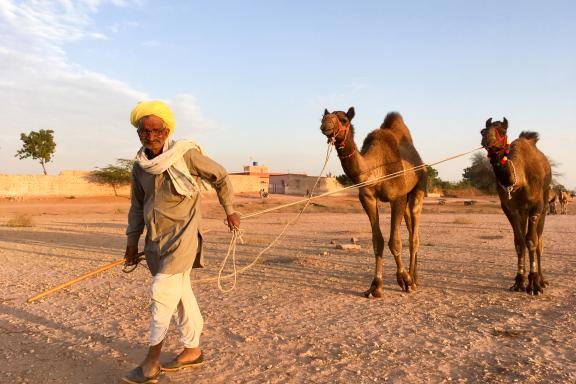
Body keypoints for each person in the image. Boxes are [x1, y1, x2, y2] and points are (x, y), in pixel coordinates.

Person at [122, 100, 240, 383]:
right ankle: (192, 350)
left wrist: (231, 210)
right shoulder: (140, 167)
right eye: (144, 131)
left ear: (167, 129)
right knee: (181, 296)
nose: (151, 136)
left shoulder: (185, 156)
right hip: (154, 243)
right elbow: (137, 207)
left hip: (183, 239)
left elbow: (221, 177)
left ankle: (151, 363)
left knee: (162, 293)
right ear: (138, 134)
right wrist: (131, 243)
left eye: (156, 129)